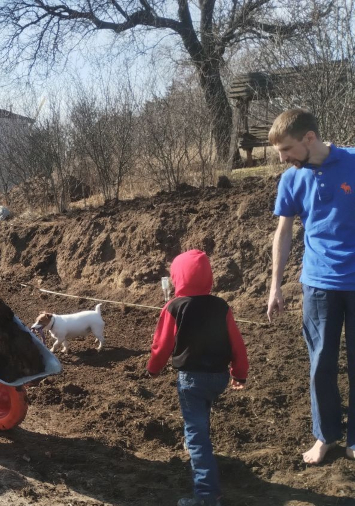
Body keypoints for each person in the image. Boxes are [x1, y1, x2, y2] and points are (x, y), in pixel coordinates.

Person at [266, 108, 355, 465]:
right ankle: (326, 435)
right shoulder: (291, 179)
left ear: (309, 138)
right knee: (321, 363)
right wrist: (275, 285)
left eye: (287, 150)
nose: (283, 158)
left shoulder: (353, 162)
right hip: (318, 283)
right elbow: (284, 233)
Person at [147, 250, 248, 506]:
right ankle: (197, 443)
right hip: (218, 377)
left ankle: (206, 496)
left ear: (177, 277)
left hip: (192, 380)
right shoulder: (221, 306)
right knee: (201, 417)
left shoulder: (174, 307)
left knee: (196, 435)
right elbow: (237, 343)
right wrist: (239, 373)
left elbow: (162, 345)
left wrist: (153, 369)